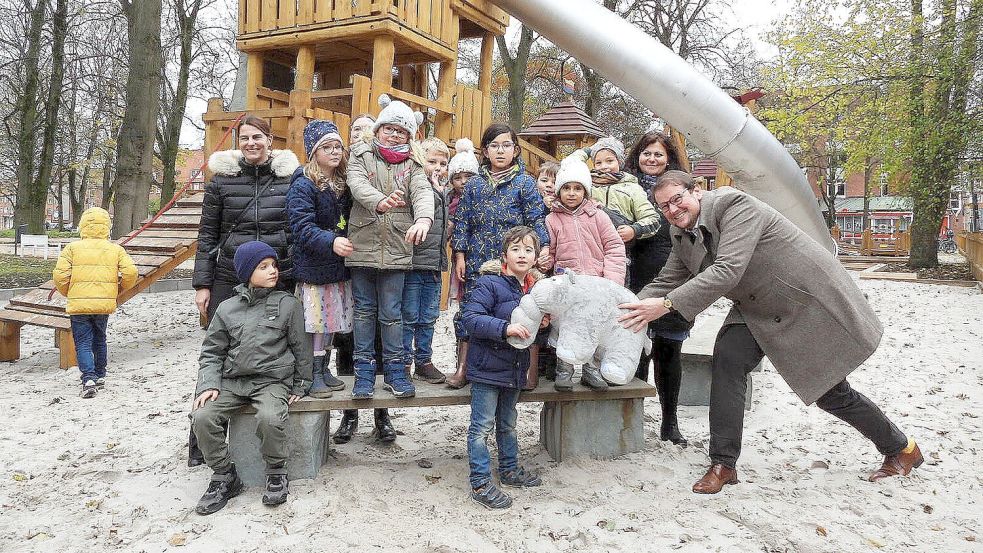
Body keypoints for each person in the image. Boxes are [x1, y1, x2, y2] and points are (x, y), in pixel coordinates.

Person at [618, 171, 923, 494]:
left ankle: (902, 449)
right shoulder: (680, 234)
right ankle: (723, 464)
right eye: (664, 206)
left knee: (830, 392)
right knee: (727, 361)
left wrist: (665, 305)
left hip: (802, 300)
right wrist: (625, 308)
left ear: (697, 191)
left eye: (677, 199)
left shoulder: (733, 205)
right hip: (754, 307)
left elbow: (727, 270)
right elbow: (668, 279)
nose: (673, 210)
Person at [190, 241, 312, 514]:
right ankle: (224, 475)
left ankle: (276, 471)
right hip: (232, 382)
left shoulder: (288, 304)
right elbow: (211, 352)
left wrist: (302, 384)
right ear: (246, 272)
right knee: (202, 417)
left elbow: (301, 347)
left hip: (272, 381)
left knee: (270, 418)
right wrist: (208, 384)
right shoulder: (226, 308)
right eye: (263, 266)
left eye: (274, 266)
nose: (273, 271)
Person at [346, 95, 434, 400]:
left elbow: (422, 193)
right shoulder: (361, 154)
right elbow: (356, 184)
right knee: (363, 313)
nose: (395, 134)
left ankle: (396, 370)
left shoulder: (413, 164)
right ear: (379, 128)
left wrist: (423, 218)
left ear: (410, 136)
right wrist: (378, 201)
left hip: (397, 247)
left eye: (402, 131)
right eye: (390, 128)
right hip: (363, 244)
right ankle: (364, 372)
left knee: (393, 313)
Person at [448, 123, 549, 389]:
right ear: (485, 150)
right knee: (471, 310)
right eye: (494, 145)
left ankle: (529, 369)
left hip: (516, 261)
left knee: (525, 309)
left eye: (506, 145)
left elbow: (536, 218)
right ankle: (464, 367)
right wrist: (459, 254)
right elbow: (462, 222)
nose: (500, 151)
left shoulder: (525, 184)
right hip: (478, 259)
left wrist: (544, 247)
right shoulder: (474, 185)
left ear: (516, 150)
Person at [462, 226, 547, 510]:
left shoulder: (535, 290)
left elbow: (533, 334)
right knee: (481, 428)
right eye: (515, 249)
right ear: (504, 256)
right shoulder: (489, 284)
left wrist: (543, 327)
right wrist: (505, 328)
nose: (522, 255)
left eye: (528, 250)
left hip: (514, 369)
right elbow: (470, 319)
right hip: (487, 369)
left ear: (536, 258)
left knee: (509, 424)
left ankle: (509, 470)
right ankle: (481, 482)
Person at [193, 115, 300, 324]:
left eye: (256, 137)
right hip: (231, 272)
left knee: (275, 340)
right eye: (244, 138)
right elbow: (207, 234)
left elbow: (298, 229)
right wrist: (202, 285)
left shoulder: (291, 179)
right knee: (227, 339)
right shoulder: (221, 182)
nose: (250, 143)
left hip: (277, 272)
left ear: (269, 140)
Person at [624, 130, 691, 445]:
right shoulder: (623, 186)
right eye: (646, 153)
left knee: (668, 350)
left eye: (658, 154)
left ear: (669, 159)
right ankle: (631, 415)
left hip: (672, 273)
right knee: (633, 348)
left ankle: (669, 421)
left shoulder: (680, 192)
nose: (651, 159)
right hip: (633, 272)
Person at [538, 155, 626, 391]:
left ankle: (591, 369)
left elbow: (614, 247)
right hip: (569, 284)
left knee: (594, 326)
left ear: (586, 192)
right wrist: (546, 263)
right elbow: (551, 251)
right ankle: (564, 369)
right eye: (566, 188)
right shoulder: (551, 220)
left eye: (578, 188)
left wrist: (613, 281)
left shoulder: (598, 216)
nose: (572, 193)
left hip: (597, 283)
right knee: (566, 326)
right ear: (558, 191)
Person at [287, 120, 354, 398]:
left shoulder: (342, 183)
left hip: (337, 267)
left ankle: (324, 368)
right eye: (327, 147)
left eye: (338, 146)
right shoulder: (304, 184)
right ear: (314, 151)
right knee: (315, 322)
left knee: (331, 321)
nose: (334, 151)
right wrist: (331, 241)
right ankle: (312, 373)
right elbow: (301, 226)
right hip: (314, 267)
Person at [52, 207, 138, 398]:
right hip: (102, 303)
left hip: (79, 304)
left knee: (82, 341)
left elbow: (60, 275)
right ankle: (100, 373)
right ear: (107, 226)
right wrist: (120, 289)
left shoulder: (72, 248)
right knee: (100, 338)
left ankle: (88, 378)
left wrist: (69, 292)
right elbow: (131, 273)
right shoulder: (115, 249)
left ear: (83, 226)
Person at [402, 137, 451, 384]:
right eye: (432, 161)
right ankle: (404, 362)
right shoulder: (417, 187)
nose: (438, 168)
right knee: (409, 315)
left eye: (443, 163)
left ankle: (424, 360)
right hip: (414, 263)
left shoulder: (444, 192)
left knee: (429, 315)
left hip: (434, 264)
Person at [445, 138, 480, 306]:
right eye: (458, 178)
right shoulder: (450, 200)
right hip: (458, 249)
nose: (464, 181)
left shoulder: (481, 198)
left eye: (468, 176)